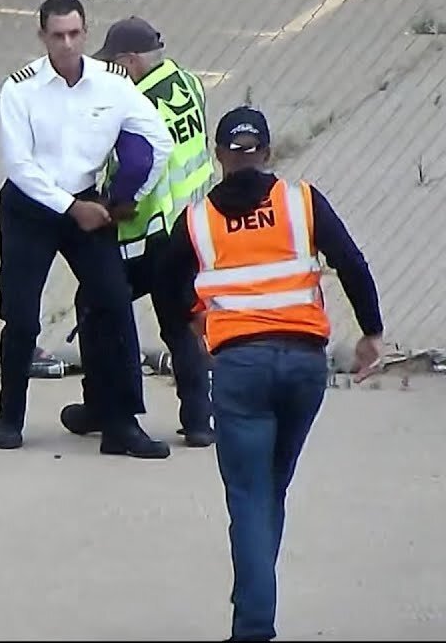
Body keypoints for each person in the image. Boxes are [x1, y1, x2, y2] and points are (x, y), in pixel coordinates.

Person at [162, 107, 385, 641]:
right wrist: (371, 333)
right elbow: (351, 262)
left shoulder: (196, 221)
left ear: (219, 158)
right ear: (266, 152)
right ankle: (252, 604)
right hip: (303, 365)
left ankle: (253, 626)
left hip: (240, 367)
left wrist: (197, 327)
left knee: (247, 495)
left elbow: (165, 283)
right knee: (271, 489)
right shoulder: (300, 201)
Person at [0, 0, 173, 457]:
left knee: (113, 303)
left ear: (86, 34)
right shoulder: (20, 89)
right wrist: (70, 207)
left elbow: (159, 141)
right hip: (31, 207)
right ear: (42, 37)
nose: (67, 44)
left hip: (89, 205)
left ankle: (121, 424)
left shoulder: (112, 84)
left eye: (75, 34)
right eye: (58, 36)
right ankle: (10, 414)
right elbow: (20, 166)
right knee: (21, 315)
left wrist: (122, 203)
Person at [60, 16, 215, 447]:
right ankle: (200, 420)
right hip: (193, 224)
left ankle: (100, 405)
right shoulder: (187, 82)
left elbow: (137, 166)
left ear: (130, 61)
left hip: (150, 231)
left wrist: (114, 207)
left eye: (114, 62)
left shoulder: (136, 104)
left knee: (95, 303)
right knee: (181, 319)